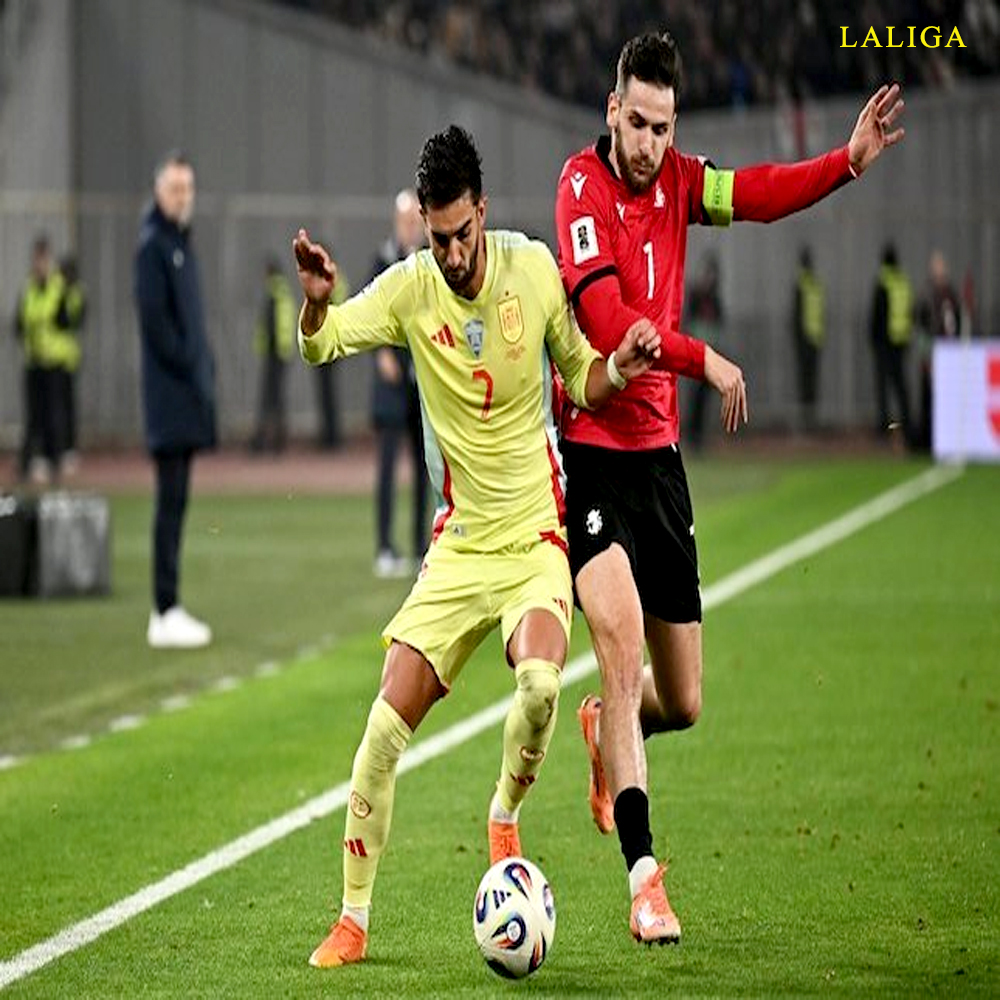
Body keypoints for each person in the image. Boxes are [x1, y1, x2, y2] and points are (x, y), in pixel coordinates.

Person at [554, 31, 904, 944]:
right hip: (591, 454)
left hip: (660, 464)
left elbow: (754, 194)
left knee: (681, 702)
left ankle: (603, 730)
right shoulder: (580, 188)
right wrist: (698, 355)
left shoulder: (679, 183)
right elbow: (602, 316)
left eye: (664, 128)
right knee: (623, 655)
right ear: (611, 110)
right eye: (636, 123)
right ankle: (644, 880)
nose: (650, 145)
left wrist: (848, 165)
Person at [293, 125, 663, 969]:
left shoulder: (530, 271)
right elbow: (322, 344)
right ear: (422, 224)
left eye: (463, 233)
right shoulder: (411, 289)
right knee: (381, 734)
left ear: (483, 213)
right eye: (438, 236)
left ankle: (504, 813)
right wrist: (316, 300)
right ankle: (352, 920)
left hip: (535, 535)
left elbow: (582, 374)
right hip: (458, 550)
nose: (453, 252)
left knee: (538, 685)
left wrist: (624, 365)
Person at [134, 151, 216, 649]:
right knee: (169, 502)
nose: (182, 197)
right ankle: (163, 608)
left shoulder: (181, 244)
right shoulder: (152, 248)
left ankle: (170, 605)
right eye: (175, 189)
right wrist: (191, 361)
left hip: (185, 397)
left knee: (179, 501)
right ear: (158, 190)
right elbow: (158, 326)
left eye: (188, 188)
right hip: (168, 399)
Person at [370, 188, 429, 577]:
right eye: (405, 221)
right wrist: (382, 354)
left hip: (421, 384)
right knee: (388, 466)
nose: (410, 228)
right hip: (391, 388)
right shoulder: (383, 260)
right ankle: (385, 545)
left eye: (414, 221)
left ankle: (423, 543)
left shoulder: (428, 263)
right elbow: (368, 310)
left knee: (428, 467)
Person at [13, 236, 71, 484]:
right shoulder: (28, 289)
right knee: (33, 416)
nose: (40, 264)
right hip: (33, 362)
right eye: (37, 259)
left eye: (44, 259)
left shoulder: (58, 289)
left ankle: (53, 461)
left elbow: (66, 321)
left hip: (54, 362)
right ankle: (29, 464)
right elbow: (18, 323)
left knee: (53, 415)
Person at [915, 250, 962, 450]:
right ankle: (927, 440)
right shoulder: (927, 293)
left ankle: (948, 439)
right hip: (933, 352)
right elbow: (922, 323)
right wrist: (927, 355)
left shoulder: (950, 293)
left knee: (948, 398)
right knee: (929, 397)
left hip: (949, 353)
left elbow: (956, 321)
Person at [250, 257, 296, 454]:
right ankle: (276, 440)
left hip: (275, 354)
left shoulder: (274, 293)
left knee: (270, 399)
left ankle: (267, 440)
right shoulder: (283, 292)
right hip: (281, 353)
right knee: (276, 399)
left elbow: (271, 326)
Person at [870, 242, 913, 445]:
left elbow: (877, 315)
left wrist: (873, 339)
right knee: (901, 386)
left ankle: (884, 428)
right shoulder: (902, 281)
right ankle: (908, 425)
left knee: (883, 387)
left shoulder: (883, 281)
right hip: (901, 341)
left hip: (885, 344)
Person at [683, 252, 724, 450]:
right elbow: (689, 320)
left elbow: (719, 322)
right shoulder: (696, 295)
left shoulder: (715, 298)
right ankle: (692, 436)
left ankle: (699, 436)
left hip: (710, 354)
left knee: (704, 398)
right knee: (695, 397)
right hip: (695, 353)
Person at [55, 254, 87, 473]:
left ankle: (68, 450)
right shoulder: (54, 292)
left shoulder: (76, 295)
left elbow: (69, 321)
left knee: (66, 408)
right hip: (47, 359)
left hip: (67, 359)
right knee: (52, 410)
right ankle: (54, 452)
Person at [792, 246, 825, 434]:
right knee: (813, 381)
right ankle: (812, 419)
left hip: (804, 340)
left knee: (804, 382)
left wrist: (797, 340)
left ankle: (807, 420)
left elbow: (796, 315)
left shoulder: (801, 284)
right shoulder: (815, 284)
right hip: (816, 339)